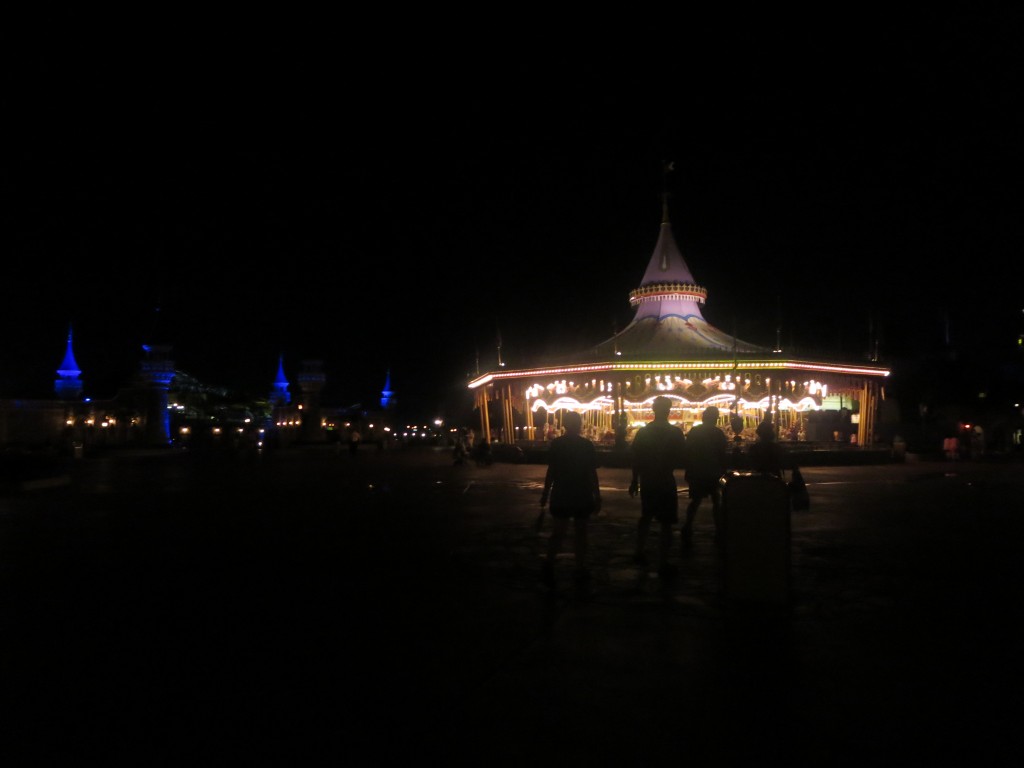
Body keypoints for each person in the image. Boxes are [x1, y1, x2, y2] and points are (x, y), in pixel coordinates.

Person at [539, 411, 602, 588]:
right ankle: (580, 566)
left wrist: (546, 492)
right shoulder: (586, 445)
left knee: (559, 530)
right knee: (581, 532)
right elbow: (592, 473)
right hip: (581, 493)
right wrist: (597, 495)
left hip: (562, 492)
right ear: (579, 424)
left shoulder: (557, 444)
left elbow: (551, 471)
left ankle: (550, 562)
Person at [628, 396, 687, 578]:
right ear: (668, 410)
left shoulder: (644, 432)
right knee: (667, 522)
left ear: (653, 410)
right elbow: (682, 456)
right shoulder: (675, 433)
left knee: (646, 516)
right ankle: (663, 561)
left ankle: (639, 550)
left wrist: (634, 480)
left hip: (648, 479)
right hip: (665, 478)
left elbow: (636, 458)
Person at [682, 405, 729, 546]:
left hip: (698, 470)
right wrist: (723, 470)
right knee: (716, 501)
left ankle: (688, 526)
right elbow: (722, 453)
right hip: (713, 471)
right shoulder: (718, 433)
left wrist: (688, 469)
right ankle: (719, 530)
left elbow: (687, 451)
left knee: (695, 501)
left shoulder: (695, 432)